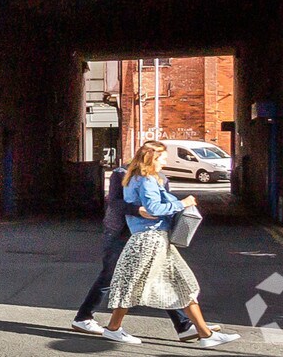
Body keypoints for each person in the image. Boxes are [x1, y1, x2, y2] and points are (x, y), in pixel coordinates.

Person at [96, 141, 237, 347]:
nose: (166, 160)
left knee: (181, 283)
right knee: (132, 285)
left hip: (154, 239)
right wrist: (183, 203)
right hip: (150, 239)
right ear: (152, 158)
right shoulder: (146, 180)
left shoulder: (135, 178)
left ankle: (205, 334)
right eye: (162, 157)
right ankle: (113, 329)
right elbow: (153, 208)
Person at [73, 141, 191, 340]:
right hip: (120, 232)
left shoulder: (160, 176)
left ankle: (185, 326)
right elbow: (114, 202)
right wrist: (137, 210)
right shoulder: (122, 173)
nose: (166, 161)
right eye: (162, 157)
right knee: (111, 276)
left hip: (148, 235)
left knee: (162, 276)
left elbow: (163, 202)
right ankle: (84, 317)